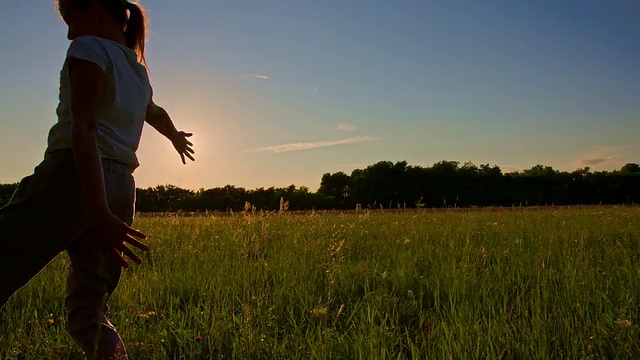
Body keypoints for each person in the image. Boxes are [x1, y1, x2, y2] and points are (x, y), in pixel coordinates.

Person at [0, 0, 195, 358]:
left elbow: (84, 128)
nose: (70, 33)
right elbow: (156, 112)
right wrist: (175, 136)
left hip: (73, 177)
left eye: (71, 19)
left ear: (93, 8)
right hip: (122, 185)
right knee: (90, 315)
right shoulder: (136, 69)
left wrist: (96, 209)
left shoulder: (88, 48)